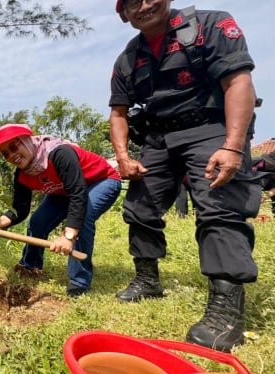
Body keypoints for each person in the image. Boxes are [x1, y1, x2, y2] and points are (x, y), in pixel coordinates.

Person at [110, 0, 262, 352]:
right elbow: (118, 111)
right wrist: (123, 157)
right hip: (159, 136)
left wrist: (233, 146)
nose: (143, 5)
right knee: (139, 206)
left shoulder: (212, 25)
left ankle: (225, 308)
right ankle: (147, 280)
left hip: (210, 128)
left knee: (218, 205)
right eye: (132, 2)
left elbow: (238, 81)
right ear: (124, 14)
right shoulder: (128, 58)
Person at [0, 124, 122, 297]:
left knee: (83, 216)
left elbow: (77, 193)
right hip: (63, 191)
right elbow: (20, 207)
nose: (12, 155)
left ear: (27, 141)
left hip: (100, 180)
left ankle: (79, 281)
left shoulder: (59, 153)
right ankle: (31, 267)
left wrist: (68, 236)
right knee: (37, 222)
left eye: (14, 147)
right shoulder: (22, 174)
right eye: (6, 154)